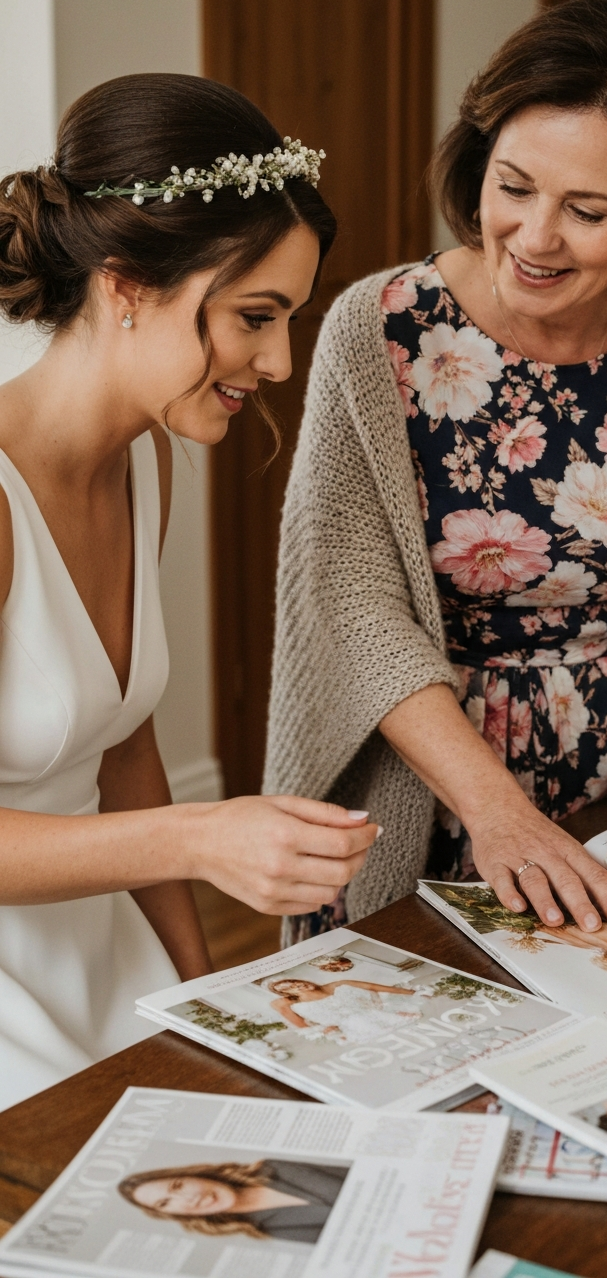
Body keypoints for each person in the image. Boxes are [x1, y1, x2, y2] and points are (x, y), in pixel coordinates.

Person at [265, 0, 607, 944]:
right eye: (514, 185)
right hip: (423, 788)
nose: (535, 238)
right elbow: (351, 603)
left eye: (587, 210)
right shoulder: (381, 333)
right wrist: (494, 809)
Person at [0, 74, 379, 1109]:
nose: (280, 358)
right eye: (254, 315)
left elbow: (125, 748)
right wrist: (204, 839)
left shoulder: (148, 463)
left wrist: (197, 989)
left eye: (290, 318)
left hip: (105, 950)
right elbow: (166, 822)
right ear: (125, 286)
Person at [119, 1160, 348, 1243]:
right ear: (172, 1214)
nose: (189, 1198)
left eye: (177, 1185)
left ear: (195, 1174)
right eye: (164, 1203)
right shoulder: (261, 1230)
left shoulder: (275, 1167)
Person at [267, 976, 422, 1040]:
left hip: (371, 1011)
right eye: (291, 987)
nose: (298, 985)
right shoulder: (294, 1004)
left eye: (295, 981)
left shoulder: (336, 984)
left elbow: (373, 986)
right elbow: (279, 1006)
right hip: (350, 1024)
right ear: (286, 994)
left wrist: (412, 993)